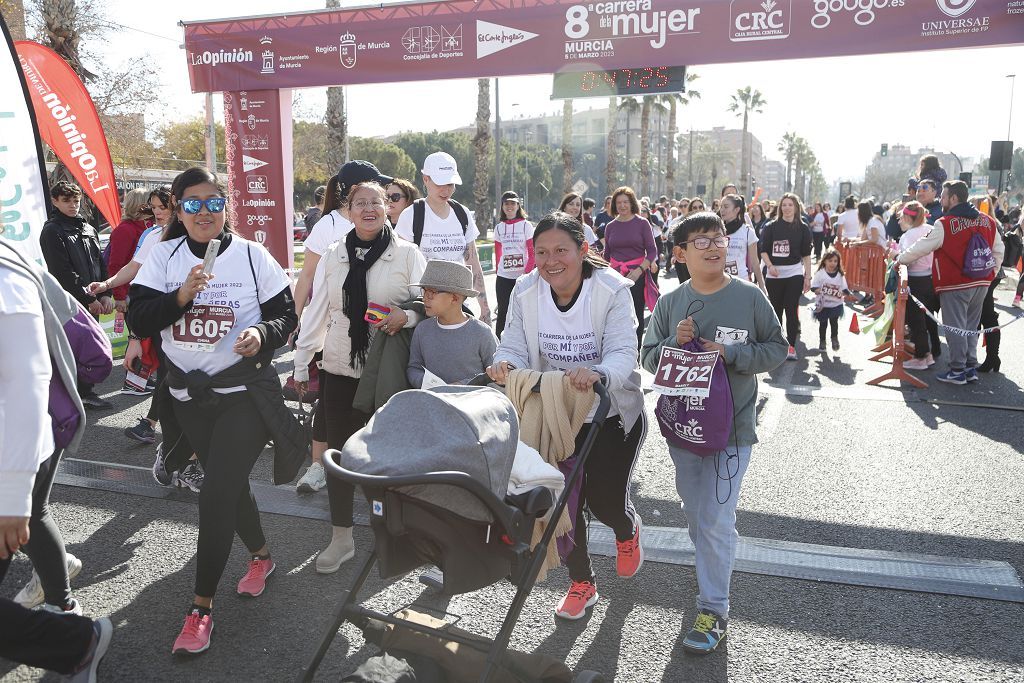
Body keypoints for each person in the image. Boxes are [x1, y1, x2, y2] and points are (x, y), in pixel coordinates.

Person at [127, 167, 300, 654]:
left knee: (215, 492)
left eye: (214, 201)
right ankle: (261, 557)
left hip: (243, 394)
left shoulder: (251, 255)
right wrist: (181, 296)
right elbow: (139, 318)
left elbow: (284, 313)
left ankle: (200, 609)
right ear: (178, 211)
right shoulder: (163, 256)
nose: (206, 212)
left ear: (225, 205)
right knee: (230, 486)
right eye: (193, 204)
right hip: (188, 398)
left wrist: (261, 335)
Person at [487, 211, 646, 621]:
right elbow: (513, 345)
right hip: (556, 410)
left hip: (609, 411)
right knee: (564, 505)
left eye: (561, 250)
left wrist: (597, 373)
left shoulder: (611, 290)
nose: (550, 260)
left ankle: (626, 530)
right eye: (541, 252)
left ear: (583, 250)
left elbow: (624, 352)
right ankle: (582, 583)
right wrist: (503, 363)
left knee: (605, 503)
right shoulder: (525, 290)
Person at [641, 211, 787, 655]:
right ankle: (710, 563)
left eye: (718, 237)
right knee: (694, 510)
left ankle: (713, 608)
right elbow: (647, 357)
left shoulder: (749, 297)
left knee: (716, 519)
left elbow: (777, 349)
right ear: (680, 254)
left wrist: (731, 352)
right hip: (684, 427)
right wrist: (671, 344)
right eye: (700, 241)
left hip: (733, 430)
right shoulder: (670, 303)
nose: (713, 246)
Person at [293, 181, 426, 575]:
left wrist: (409, 315)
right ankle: (341, 537)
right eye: (359, 203)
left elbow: (428, 300)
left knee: (386, 457)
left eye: (376, 202)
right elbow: (318, 309)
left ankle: (390, 533)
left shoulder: (407, 253)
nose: (368, 209)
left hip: (386, 371)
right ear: (347, 211)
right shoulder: (335, 253)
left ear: (388, 207)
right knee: (338, 453)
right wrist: (303, 361)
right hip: (338, 367)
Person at [0, 242, 114, 683]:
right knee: (36, 515)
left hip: (22, 446)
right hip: (23, 450)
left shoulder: (6, 269)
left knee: (33, 513)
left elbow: (26, 379)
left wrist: (12, 496)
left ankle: (75, 635)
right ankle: (71, 624)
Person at [293, 160, 394, 495]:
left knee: (369, 412)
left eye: (376, 197)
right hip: (335, 330)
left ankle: (369, 477)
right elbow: (310, 277)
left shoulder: (391, 230)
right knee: (329, 405)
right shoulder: (328, 227)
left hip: (378, 339)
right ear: (350, 199)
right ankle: (319, 467)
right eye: (363, 197)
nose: (371, 204)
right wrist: (298, 323)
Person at [896, 180, 1003, 385]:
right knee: (971, 327)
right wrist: (991, 274)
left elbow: (922, 247)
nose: (941, 200)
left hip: (954, 283)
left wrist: (899, 260)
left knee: (955, 328)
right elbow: (999, 250)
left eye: (943, 196)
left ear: (954, 198)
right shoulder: (988, 221)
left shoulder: (945, 223)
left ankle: (957, 370)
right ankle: (970, 367)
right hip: (981, 282)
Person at [39, 180, 113, 409]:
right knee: (72, 348)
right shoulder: (51, 230)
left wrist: (104, 292)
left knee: (88, 347)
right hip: (69, 301)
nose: (73, 205)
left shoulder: (88, 228)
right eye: (66, 200)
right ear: (54, 201)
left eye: (76, 200)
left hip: (92, 298)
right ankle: (76, 394)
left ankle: (85, 391)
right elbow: (61, 271)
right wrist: (88, 298)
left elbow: (101, 264)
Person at [395, 152, 490, 324]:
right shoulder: (411, 216)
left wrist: (485, 309)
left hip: (459, 308)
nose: (446, 190)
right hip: (424, 309)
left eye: (450, 184)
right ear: (426, 179)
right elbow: (401, 267)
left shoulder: (463, 214)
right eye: (440, 183)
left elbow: (473, 264)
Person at [407, 259, 497, 388]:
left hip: (473, 404)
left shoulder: (482, 333)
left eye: (432, 292)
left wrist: (460, 386)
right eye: (424, 290)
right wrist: (426, 384)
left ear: (455, 298)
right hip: (433, 403)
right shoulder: (422, 330)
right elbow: (414, 367)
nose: (425, 298)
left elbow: (495, 376)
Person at [602, 186, 658, 350]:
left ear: (632, 203)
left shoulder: (642, 223)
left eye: (625, 202)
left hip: (637, 277)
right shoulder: (610, 226)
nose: (622, 205)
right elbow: (607, 254)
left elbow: (652, 251)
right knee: (615, 315)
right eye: (618, 202)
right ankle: (618, 350)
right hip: (615, 277)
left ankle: (635, 351)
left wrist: (639, 271)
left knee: (636, 314)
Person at [759, 193, 813, 360]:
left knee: (791, 309)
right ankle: (776, 344)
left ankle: (790, 346)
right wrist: (770, 266)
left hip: (794, 272)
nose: (787, 208)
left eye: (790, 205)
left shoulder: (803, 228)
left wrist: (808, 277)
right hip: (774, 273)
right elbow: (763, 250)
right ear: (780, 208)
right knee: (776, 310)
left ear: (796, 207)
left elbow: (806, 255)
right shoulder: (771, 227)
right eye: (784, 205)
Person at [894, 202, 941, 370]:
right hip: (932, 279)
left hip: (915, 280)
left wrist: (896, 257)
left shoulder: (909, 235)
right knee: (928, 318)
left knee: (916, 320)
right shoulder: (931, 229)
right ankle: (930, 353)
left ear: (907, 217)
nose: (899, 221)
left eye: (900, 217)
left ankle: (921, 357)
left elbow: (908, 259)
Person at [493, 191, 535, 338]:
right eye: (506, 203)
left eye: (513, 203)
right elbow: (498, 252)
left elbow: (532, 252)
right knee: (503, 311)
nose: (509, 206)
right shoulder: (499, 227)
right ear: (502, 207)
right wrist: (499, 270)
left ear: (518, 206)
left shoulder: (526, 225)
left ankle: (525, 341)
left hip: (522, 277)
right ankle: (498, 342)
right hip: (503, 277)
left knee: (523, 311)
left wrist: (526, 274)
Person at [105, 188, 152, 313]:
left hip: (147, 291)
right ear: (142, 205)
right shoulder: (125, 230)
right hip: (131, 294)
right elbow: (115, 265)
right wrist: (120, 296)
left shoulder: (150, 227)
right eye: (151, 202)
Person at [810, 249, 854, 352]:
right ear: (824, 261)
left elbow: (844, 288)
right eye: (830, 261)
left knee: (834, 323)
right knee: (823, 324)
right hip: (823, 305)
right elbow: (814, 287)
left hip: (835, 304)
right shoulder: (820, 273)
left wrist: (848, 294)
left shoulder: (840, 274)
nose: (833, 263)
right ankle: (822, 341)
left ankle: (834, 339)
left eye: (835, 261)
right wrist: (818, 290)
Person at [720, 194, 765, 293]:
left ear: (736, 210)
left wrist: (762, 286)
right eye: (721, 206)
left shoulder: (747, 231)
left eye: (726, 207)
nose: (722, 210)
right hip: (718, 283)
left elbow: (755, 262)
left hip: (741, 282)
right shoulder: (716, 230)